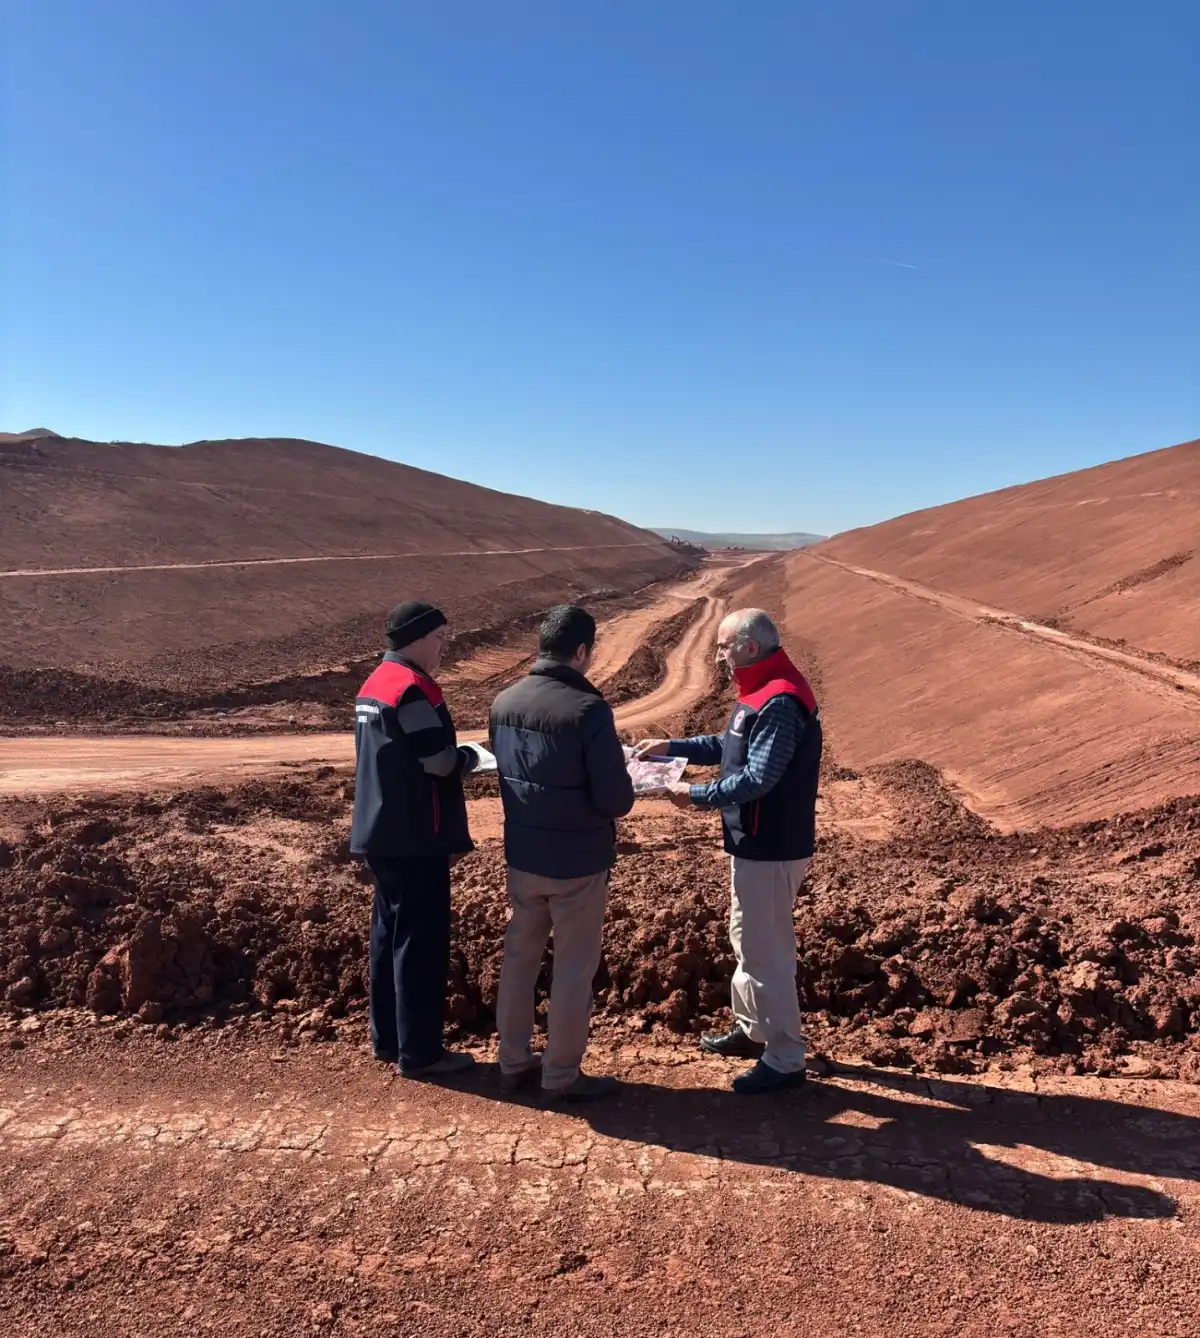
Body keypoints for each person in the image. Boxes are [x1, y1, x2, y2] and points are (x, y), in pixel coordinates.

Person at [635, 608, 822, 1095]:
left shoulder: (780, 700)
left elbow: (759, 778)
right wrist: (672, 747)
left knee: (768, 953)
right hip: (753, 844)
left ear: (749, 647)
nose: (718, 655)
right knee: (747, 938)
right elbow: (728, 744)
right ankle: (753, 1030)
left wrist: (695, 796)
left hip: (772, 845)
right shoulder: (761, 690)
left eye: (723, 646)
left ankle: (784, 1058)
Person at [489, 605, 636, 1102]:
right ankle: (560, 1076)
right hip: (577, 863)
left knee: (519, 958)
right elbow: (615, 799)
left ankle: (512, 1064)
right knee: (573, 970)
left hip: (524, 856)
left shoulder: (503, 702)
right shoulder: (588, 710)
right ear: (581, 651)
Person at [350, 600, 481, 1080]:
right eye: (441, 637)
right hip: (416, 835)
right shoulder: (411, 689)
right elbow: (438, 760)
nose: (445, 645)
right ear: (418, 638)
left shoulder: (374, 684)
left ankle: (387, 1039)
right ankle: (421, 1053)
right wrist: (470, 759)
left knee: (387, 937)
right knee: (420, 944)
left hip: (379, 832)